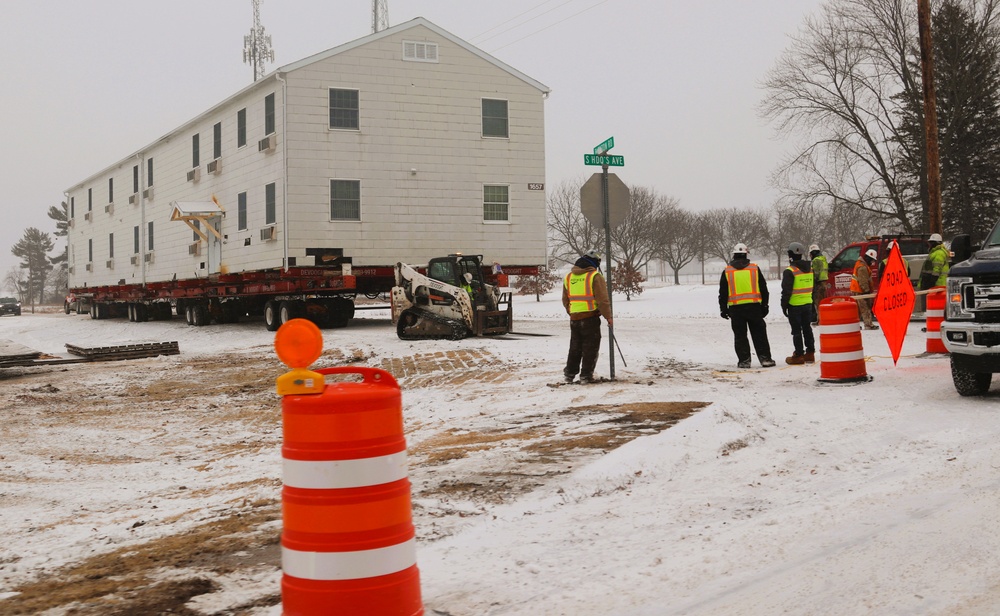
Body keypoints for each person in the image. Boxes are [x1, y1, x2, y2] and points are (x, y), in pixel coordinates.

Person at [719, 243, 776, 369]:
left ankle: (744, 361)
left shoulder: (727, 270)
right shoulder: (754, 268)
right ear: (746, 254)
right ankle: (765, 359)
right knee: (759, 334)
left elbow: (723, 292)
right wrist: (765, 305)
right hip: (754, 307)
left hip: (736, 309)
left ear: (734, 255)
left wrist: (723, 309)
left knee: (740, 336)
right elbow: (763, 288)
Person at [562, 250, 613, 384]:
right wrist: (608, 317)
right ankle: (586, 375)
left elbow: (565, 300)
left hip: (574, 319)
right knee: (590, 347)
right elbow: (602, 300)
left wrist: (573, 312)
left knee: (575, 347)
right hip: (590, 318)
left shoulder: (569, 277)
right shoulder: (595, 276)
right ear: (594, 263)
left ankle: (569, 374)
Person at [781, 242, 816, 364]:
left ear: (790, 254)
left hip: (794, 305)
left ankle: (799, 355)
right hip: (808, 304)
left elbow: (786, 291)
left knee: (796, 331)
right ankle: (810, 353)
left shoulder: (790, 271)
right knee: (807, 328)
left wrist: (783, 305)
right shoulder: (810, 269)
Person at [851, 248, 879, 330]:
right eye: (872, 260)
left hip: (857, 289)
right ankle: (868, 324)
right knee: (865, 308)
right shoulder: (862, 267)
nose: (873, 263)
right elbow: (863, 281)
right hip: (860, 291)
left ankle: (854, 325)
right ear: (869, 259)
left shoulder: (860, 264)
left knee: (858, 309)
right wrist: (866, 291)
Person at [809, 244, 828, 325]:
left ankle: (821, 320)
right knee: (823, 302)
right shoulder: (823, 259)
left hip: (818, 284)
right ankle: (824, 319)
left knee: (818, 303)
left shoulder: (816, 260)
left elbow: (815, 273)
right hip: (824, 283)